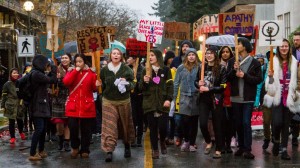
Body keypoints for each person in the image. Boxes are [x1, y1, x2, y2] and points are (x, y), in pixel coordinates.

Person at [227, 37, 262, 159]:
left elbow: (258, 79)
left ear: (245, 46)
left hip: (248, 98)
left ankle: (247, 148)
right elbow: (228, 78)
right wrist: (233, 70)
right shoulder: (232, 61)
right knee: (238, 123)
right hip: (236, 97)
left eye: (239, 44)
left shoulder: (255, 63)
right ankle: (241, 146)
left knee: (246, 122)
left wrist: (244, 75)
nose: (236, 46)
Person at [265, 39, 298, 160]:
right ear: (278, 48)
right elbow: (268, 85)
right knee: (277, 122)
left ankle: (284, 149)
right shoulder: (273, 61)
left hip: (289, 97)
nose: (284, 48)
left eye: (286, 46)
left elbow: (296, 79)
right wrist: (270, 77)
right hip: (277, 96)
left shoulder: (294, 62)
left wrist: (295, 91)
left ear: (289, 48)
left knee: (286, 124)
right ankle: (276, 141)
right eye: (281, 46)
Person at [100, 48, 135, 162]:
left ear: (121, 56)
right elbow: (102, 85)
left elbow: (133, 84)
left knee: (125, 125)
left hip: (123, 101)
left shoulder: (127, 69)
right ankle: (109, 150)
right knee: (109, 126)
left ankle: (127, 145)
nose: (116, 55)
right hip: (108, 101)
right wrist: (99, 87)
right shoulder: (104, 70)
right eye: (114, 53)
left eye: (118, 54)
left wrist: (127, 84)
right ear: (110, 55)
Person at [63, 53, 99, 159]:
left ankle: (85, 149)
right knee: (73, 127)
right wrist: (75, 71)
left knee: (86, 129)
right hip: (73, 105)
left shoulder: (91, 73)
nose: (78, 63)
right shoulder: (71, 71)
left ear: (84, 62)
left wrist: (96, 85)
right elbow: (66, 82)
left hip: (86, 104)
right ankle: (75, 147)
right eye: (76, 61)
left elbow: (93, 88)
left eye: (80, 61)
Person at [140, 49, 173, 159]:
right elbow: (140, 89)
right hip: (150, 103)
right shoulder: (146, 70)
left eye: (152, 55)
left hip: (163, 103)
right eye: (149, 56)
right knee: (152, 128)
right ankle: (155, 149)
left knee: (163, 127)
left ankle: (162, 140)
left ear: (158, 57)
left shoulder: (166, 70)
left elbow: (170, 86)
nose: (150, 57)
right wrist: (144, 82)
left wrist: (169, 99)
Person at [196, 46, 227, 158]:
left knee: (217, 125)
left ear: (215, 55)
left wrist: (209, 89)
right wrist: (198, 84)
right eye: (207, 53)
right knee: (203, 123)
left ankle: (218, 148)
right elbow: (196, 81)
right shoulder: (201, 67)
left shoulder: (222, 68)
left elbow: (223, 86)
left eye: (211, 53)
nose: (208, 55)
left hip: (216, 99)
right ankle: (209, 142)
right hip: (203, 99)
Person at [28, 54, 57, 161]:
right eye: (45, 63)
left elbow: (48, 79)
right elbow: (52, 80)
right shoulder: (36, 74)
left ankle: (41, 150)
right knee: (39, 129)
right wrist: (54, 68)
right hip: (37, 105)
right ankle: (32, 153)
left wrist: (50, 71)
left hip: (42, 104)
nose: (46, 65)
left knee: (43, 129)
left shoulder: (38, 73)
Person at [173, 48, 199, 152]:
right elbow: (176, 83)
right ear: (186, 57)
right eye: (189, 55)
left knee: (194, 121)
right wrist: (174, 98)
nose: (191, 56)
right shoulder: (181, 68)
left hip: (196, 96)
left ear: (196, 56)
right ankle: (186, 140)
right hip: (184, 97)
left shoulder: (199, 67)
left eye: (193, 54)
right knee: (185, 121)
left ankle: (192, 143)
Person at [170, 40, 193, 147]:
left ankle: (188, 139)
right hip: (179, 95)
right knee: (178, 119)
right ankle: (178, 136)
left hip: (191, 94)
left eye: (187, 46)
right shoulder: (176, 60)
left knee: (189, 120)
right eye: (183, 46)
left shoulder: (195, 63)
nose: (185, 48)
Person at [52, 54, 73, 151]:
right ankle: (60, 140)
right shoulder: (56, 69)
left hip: (70, 97)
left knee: (68, 122)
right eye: (62, 58)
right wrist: (56, 79)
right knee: (59, 122)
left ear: (70, 60)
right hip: (58, 99)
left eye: (66, 58)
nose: (64, 60)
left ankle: (66, 142)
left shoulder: (73, 69)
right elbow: (51, 84)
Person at [1, 68, 26, 144]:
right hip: (10, 105)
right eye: (14, 73)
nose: (15, 75)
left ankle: (21, 132)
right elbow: (4, 95)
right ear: (11, 74)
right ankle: (12, 137)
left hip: (19, 104)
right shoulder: (7, 84)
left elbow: (23, 93)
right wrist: (3, 105)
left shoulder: (20, 82)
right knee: (11, 121)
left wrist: (22, 102)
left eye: (17, 73)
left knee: (20, 120)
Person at [219, 46, 235, 152]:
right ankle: (221, 144)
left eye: (227, 52)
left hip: (231, 94)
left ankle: (228, 143)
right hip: (219, 94)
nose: (225, 53)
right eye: (223, 52)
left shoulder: (233, 64)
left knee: (230, 121)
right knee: (221, 121)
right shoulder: (216, 65)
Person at [127, 55, 144, 147]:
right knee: (132, 117)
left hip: (140, 96)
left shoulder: (142, 69)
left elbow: (143, 83)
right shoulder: (127, 69)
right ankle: (132, 137)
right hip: (130, 97)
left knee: (140, 117)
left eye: (129, 58)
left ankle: (139, 138)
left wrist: (137, 82)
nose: (127, 59)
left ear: (135, 59)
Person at [291, 31, 300, 146]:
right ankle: (294, 136)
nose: (295, 41)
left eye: (297, 40)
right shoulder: (291, 52)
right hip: (295, 87)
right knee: (295, 114)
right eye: (294, 40)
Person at [22, 62, 33, 133]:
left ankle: (31, 125)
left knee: (31, 113)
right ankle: (25, 126)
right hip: (24, 97)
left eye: (30, 66)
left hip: (31, 97)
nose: (28, 68)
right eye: (27, 66)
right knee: (24, 113)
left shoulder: (32, 75)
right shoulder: (23, 75)